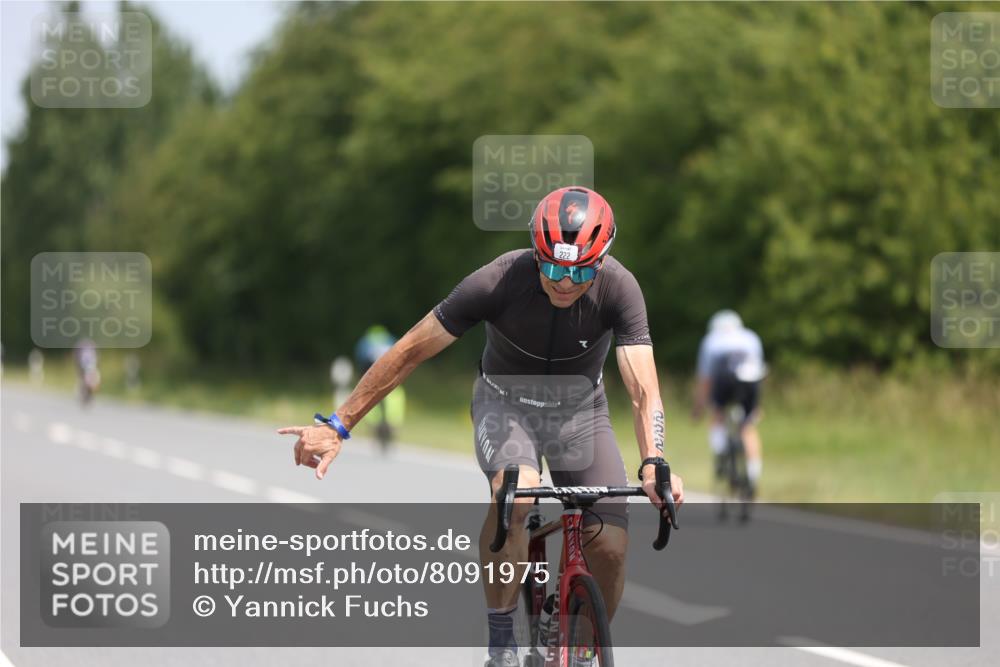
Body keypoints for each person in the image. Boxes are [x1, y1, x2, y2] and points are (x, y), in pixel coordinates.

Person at [278, 186, 684, 667]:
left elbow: (642, 388)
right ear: (536, 252)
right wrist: (339, 425)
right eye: (552, 267)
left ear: (601, 263)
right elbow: (410, 350)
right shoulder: (497, 281)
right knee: (518, 495)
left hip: (580, 414)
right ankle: (501, 645)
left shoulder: (620, 288)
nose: (564, 282)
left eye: (579, 272)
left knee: (612, 545)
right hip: (505, 404)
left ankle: (578, 644)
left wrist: (655, 460)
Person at [691, 310, 767, 498]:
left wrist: (699, 408)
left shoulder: (711, 341)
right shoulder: (751, 337)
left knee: (717, 415)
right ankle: (752, 475)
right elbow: (759, 373)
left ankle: (722, 454)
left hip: (724, 380)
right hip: (750, 380)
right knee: (748, 426)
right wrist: (756, 406)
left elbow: (705, 381)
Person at [73, 338, 101, 407]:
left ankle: (87, 396)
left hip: (89, 367)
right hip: (86, 367)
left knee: (88, 381)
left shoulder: (86, 350)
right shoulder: (90, 350)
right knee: (84, 381)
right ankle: (84, 395)